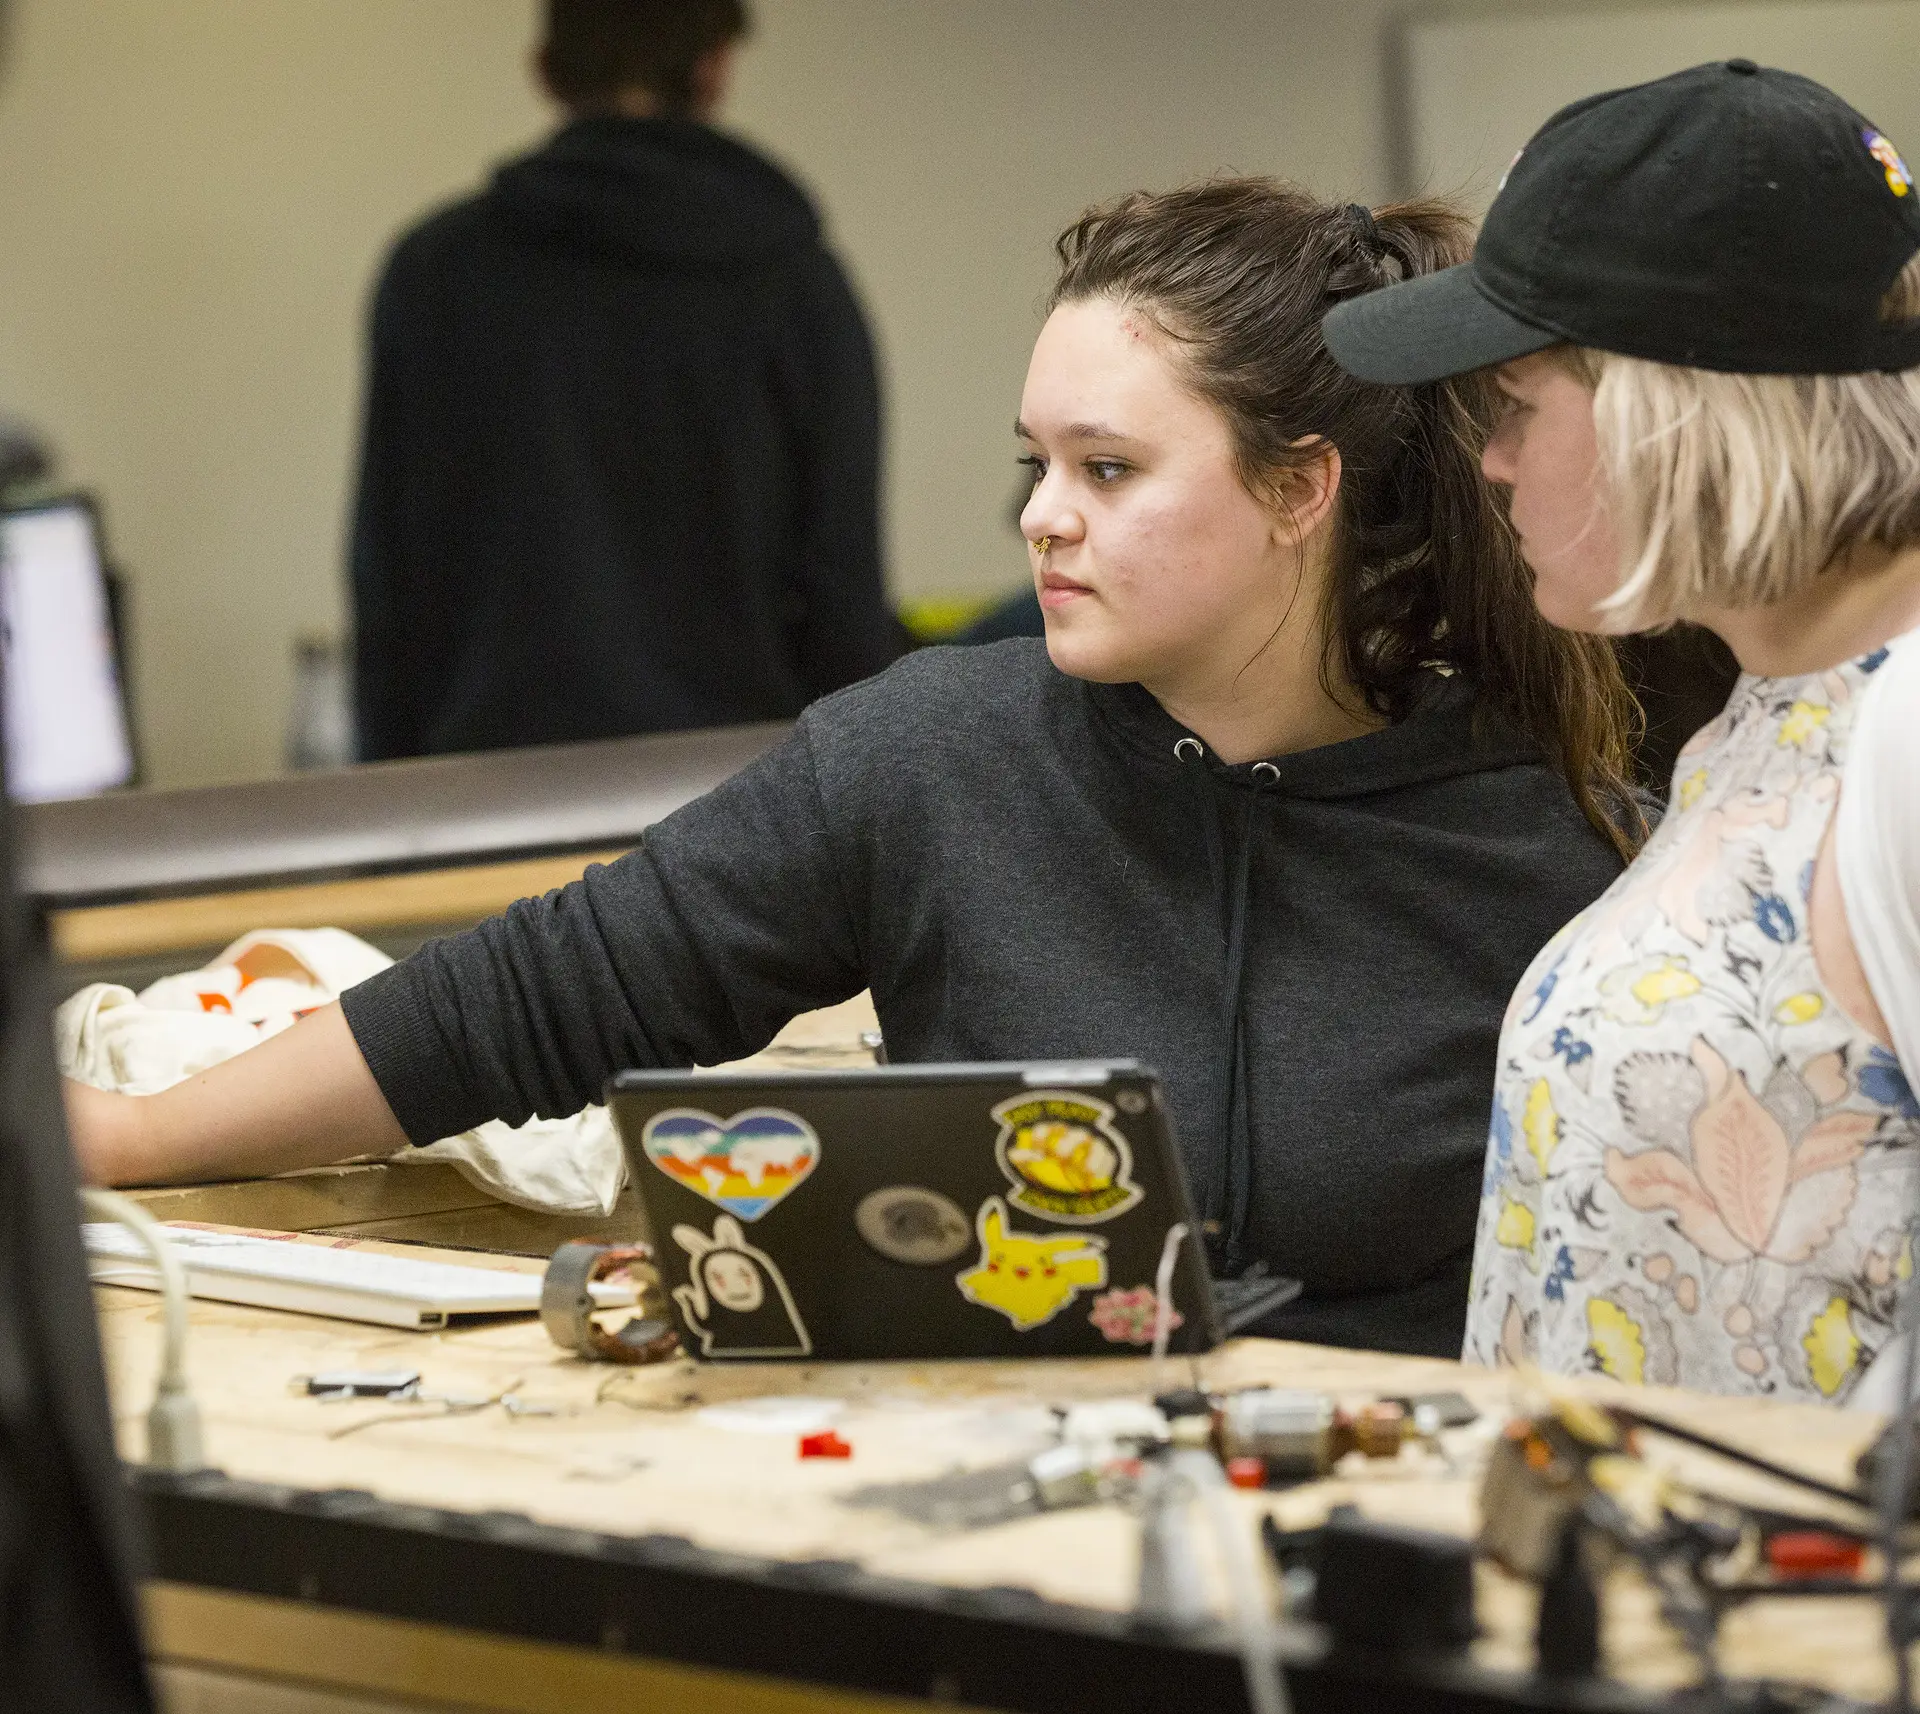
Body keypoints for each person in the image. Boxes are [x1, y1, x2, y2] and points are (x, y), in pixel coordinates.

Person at [73, 181, 1637, 1358]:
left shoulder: (1544, 843)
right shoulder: (930, 757)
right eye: (1039, 463)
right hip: (1002, 1532)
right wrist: (133, 1138)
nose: (1041, 517)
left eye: (1108, 469)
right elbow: (542, 993)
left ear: (1301, 490)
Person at [1323, 60, 1920, 1402]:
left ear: (1674, 408)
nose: (1492, 460)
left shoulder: (1907, 725)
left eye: (1518, 403)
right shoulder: (1767, 713)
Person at [350, 0, 906, 760]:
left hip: (490, 783)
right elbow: (841, 582)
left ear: (545, 69)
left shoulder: (435, 274)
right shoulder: (794, 284)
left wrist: (394, 793)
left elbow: (388, 581)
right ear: (715, 69)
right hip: (738, 784)